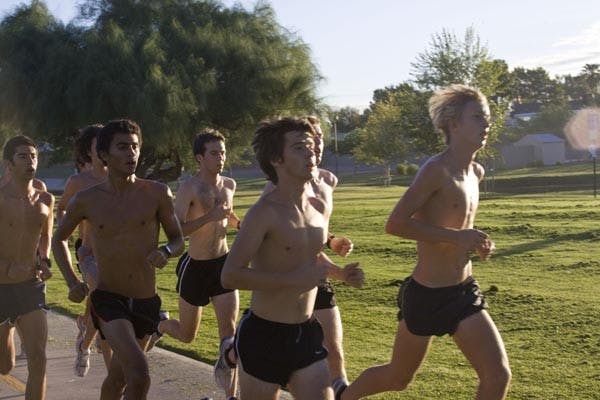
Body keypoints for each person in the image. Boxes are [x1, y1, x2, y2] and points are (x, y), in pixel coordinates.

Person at [339, 84, 511, 400]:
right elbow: (396, 224)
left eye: (487, 117)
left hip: (463, 291)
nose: (486, 124)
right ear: (453, 124)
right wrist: (458, 237)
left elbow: (457, 224)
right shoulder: (436, 169)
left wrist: (476, 242)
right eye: (478, 117)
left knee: (497, 375)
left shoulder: (476, 172)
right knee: (397, 377)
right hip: (427, 295)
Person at [222, 117, 359, 400]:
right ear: (277, 159)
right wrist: (290, 281)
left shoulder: (319, 206)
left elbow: (310, 257)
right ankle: (230, 352)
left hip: (306, 333)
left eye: (310, 146)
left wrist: (342, 274)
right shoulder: (264, 213)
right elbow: (230, 274)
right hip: (264, 336)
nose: (310, 153)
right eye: (299, 148)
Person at [52, 119, 184, 400]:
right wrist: (73, 282)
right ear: (103, 154)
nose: (131, 153)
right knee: (139, 372)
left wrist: (166, 252)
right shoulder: (87, 199)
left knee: (119, 378)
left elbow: (178, 239)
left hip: (146, 300)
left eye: (135, 147)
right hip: (108, 298)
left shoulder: (157, 193)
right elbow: (58, 238)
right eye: (122, 147)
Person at [263, 116, 359, 393]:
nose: (315, 144)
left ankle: (340, 390)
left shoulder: (328, 180)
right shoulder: (276, 188)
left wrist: (332, 241)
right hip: (287, 281)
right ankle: (234, 354)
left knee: (334, 350)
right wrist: (340, 272)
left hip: (317, 276)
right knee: (286, 366)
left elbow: (313, 232)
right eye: (307, 140)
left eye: (318, 138)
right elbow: (291, 241)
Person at [157, 128, 240, 400]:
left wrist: (241, 224)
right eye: (214, 153)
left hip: (223, 266)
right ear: (199, 158)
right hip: (195, 267)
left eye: (223, 152)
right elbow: (177, 230)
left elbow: (228, 215)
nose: (221, 158)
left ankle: (230, 396)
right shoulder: (189, 188)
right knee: (187, 335)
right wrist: (209, 217)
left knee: (230, 337)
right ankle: (159, 324)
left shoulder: (229, 185)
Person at [0, 135, 54, 400]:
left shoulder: (45, 199)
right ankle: (6, 333)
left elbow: (45, 236)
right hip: (1, 286)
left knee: (39, 358)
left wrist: (44, 260)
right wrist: (5, 265)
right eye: (23, 156)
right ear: (8, 164)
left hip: (31, 286)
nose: (30, 161)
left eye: (33, 156)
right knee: (4, 365)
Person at [56, 124, 112, 377]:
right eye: (97, 144)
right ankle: (92, 350)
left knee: (103, 306)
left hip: (118, 254)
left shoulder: (120, 177)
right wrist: (66, 224)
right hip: (89, 251)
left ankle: (85, 338)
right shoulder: (78, 182)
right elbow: (63, 208)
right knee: (102, 295)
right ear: (88, 151)